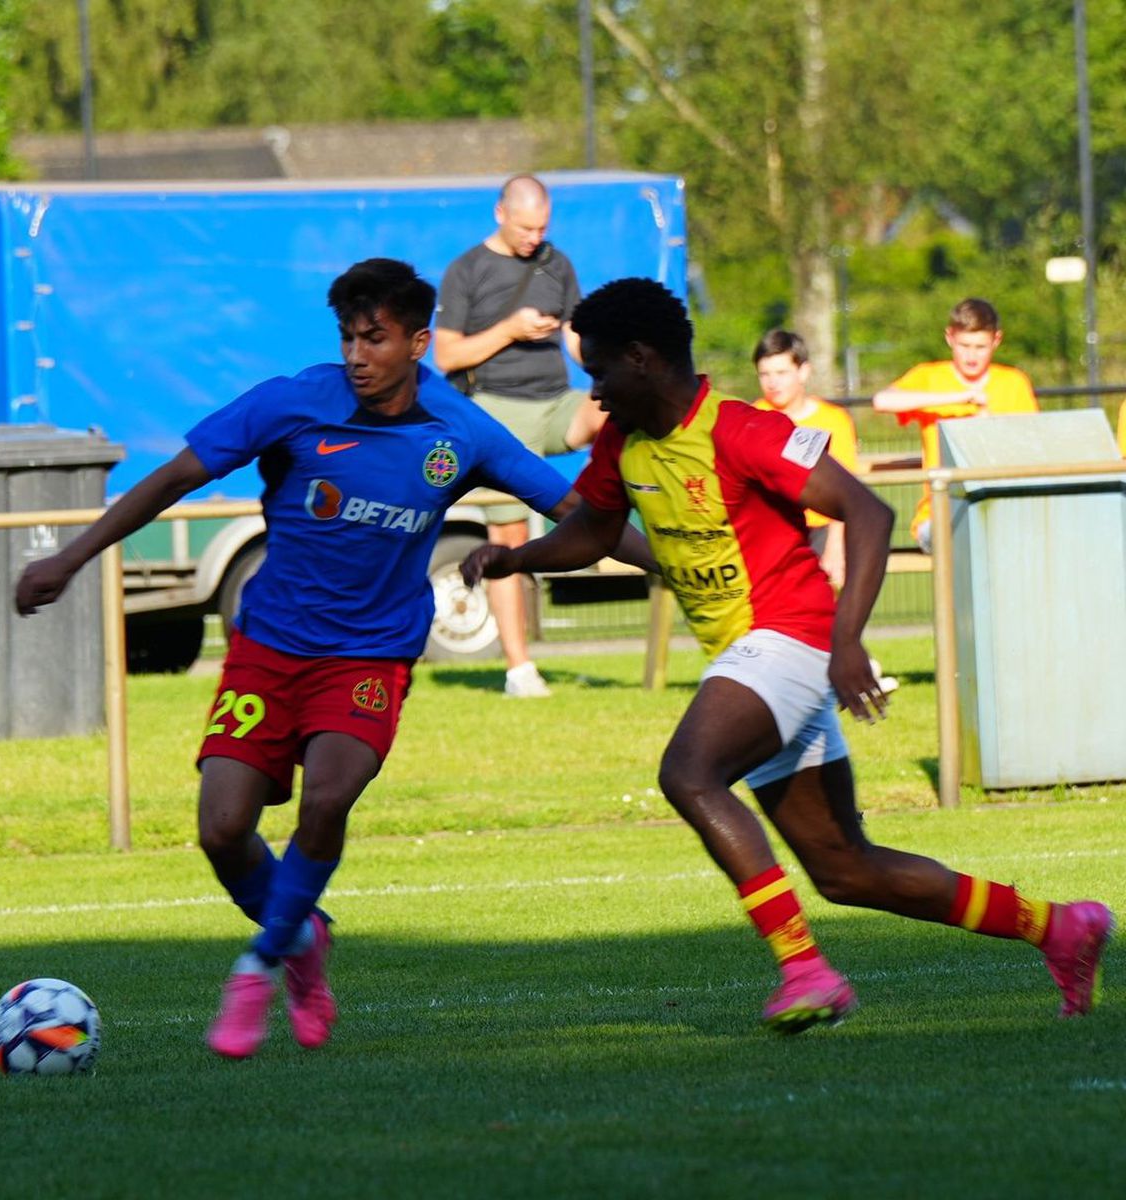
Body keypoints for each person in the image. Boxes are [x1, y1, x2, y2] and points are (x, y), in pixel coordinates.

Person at [463, 277, 1114, 1033]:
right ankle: (1059, 927)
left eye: (601, 370)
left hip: (793, 636)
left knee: (689, 773)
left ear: (642, 359)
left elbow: (866, 512)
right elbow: (595, 532)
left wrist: (846, 642)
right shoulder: (625, 443)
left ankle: (805, 969)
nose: (595, 393)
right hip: (750, 658)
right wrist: (517, 560)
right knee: (846, 869)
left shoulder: (745, 430)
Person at [15, 258, 586, 1060]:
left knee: (326, 801)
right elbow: (173, 478)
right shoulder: (292, 401)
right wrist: (69, 560)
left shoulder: (462, 434)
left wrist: (664, 556)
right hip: (268, 649)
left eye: (375, 338)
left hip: (370, 656)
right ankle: (304, 939)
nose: (356, 353)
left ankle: (259, 965)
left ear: (420, 343)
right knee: (221, 830)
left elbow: (578, 515)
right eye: (348, 336)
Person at [433, 174, 606, 698]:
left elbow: (575, 334)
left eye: (543, 228)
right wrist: (510, 329)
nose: (535, 237)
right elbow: (445, 356)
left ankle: (611, 520)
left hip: (555, 403)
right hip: (494, 414)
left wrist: (603, 367)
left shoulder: (558, 263)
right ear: (500, 214)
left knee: (617, 414)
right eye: (527, 227)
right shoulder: (465, 271)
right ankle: (519, 670)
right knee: (508, 540)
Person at [872, 297, 1038, 553]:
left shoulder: (1013, 382)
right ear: (950, 337)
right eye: (964, 345)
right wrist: (961, 397)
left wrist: (989, 425)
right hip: (939, 513)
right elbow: (882, 400)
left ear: (996, 340)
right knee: (970, 536)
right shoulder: (929, 376)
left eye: (980, 347)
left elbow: (1031, 441)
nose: (971, 355)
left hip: (1000, 505)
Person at [753, 329, 858, 589]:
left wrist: (836, 547)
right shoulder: (752, 417)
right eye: (765, 374)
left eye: (781, 373)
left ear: (803, 371)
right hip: (772, 529)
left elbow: (846, 488)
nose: (772, 383)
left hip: (821, 526)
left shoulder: (834, 420)